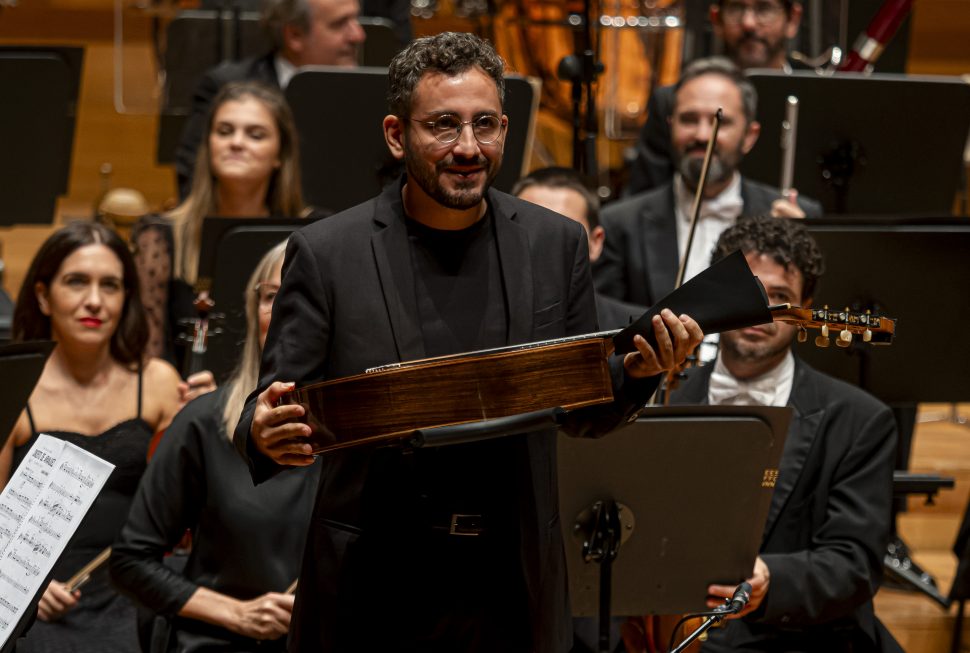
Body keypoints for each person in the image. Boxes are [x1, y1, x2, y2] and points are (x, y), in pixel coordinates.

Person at [233, 32, 703, 653]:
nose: (467, 148)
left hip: (514, 578)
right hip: (371, 584)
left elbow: (583, 410)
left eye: (485, 125)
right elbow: (271, 405)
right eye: (443, 126)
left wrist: (644, 372)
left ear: (506, 128)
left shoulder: (553, 243)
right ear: (398, 135)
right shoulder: (327, 253)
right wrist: (262, 431)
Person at [651, 215, 898, 652]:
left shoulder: (861, 420)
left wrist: (772, 581)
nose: (762, 310)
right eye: (748, 291)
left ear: (806, 306)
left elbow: (855, 564)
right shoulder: (659, 404)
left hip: (800, 639)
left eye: (781, 297)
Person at [110, 242, 321, 653]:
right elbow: (131, 561)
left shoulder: (372, 435)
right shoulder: (203, 422)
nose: (285, 311)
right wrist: (237, 614)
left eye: (306, 294)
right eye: (272, 296)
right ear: (252, 308)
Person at [0, 221, 183, 652]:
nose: (95, 301)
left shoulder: (157, 383)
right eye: (76, 282)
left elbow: (181, 507)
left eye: (111, 286)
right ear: (43, 296)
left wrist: (204, 418)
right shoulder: (14, 383)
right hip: (34, 593)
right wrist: (28, 586)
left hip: (130, 585)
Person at [595, 57, 821, 310]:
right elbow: (607, 327)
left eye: (719, 122)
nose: (702, 135)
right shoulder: (618, 225)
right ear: (670, 127)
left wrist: (799, 247)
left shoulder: (798, 218)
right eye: (689, 119)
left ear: (749, 136)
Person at [133, 80, 307, 380]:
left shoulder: (311, 232)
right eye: (224, 131)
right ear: (208, 145)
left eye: (255, 134)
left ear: (280, 154)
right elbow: (150, 361)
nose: (236, 142)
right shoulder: (160, 235)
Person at [175, 0, 366, 197]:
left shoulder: (368, 92)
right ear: (294, 35)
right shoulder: (226, 86)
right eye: (340, 24)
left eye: (356, 19)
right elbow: (191, 177)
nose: (358, 35)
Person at [627, 0, 805, 195]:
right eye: (736, 8)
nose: (748, 23)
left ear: (793, 19)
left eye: (764, 9)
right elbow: (644, 206)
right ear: (716, 19)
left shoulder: (815, 98)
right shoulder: (672, 100)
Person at [512, 167, 645, 329]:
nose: (543, 247)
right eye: (530, 230)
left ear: (596, 242)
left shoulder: (640, 330)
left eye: (563, 232)